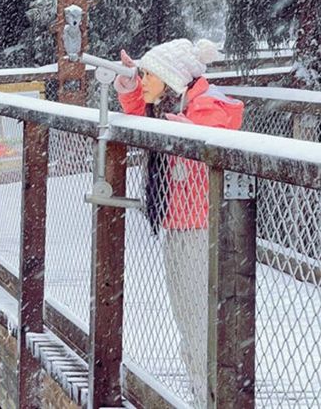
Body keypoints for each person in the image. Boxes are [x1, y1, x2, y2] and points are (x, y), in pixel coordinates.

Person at [113, 38, 244, 408]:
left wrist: (175, 126)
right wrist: (130, 87)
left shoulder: (207, 107)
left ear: (170, 78)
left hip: (201, 230)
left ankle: (210, 395)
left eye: (148, 75)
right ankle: (203, 393)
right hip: (180, 224)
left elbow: (210, 136)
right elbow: (145, 122)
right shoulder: (176, 106)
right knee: (188, 315)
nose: (143, 81)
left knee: (197, 318)